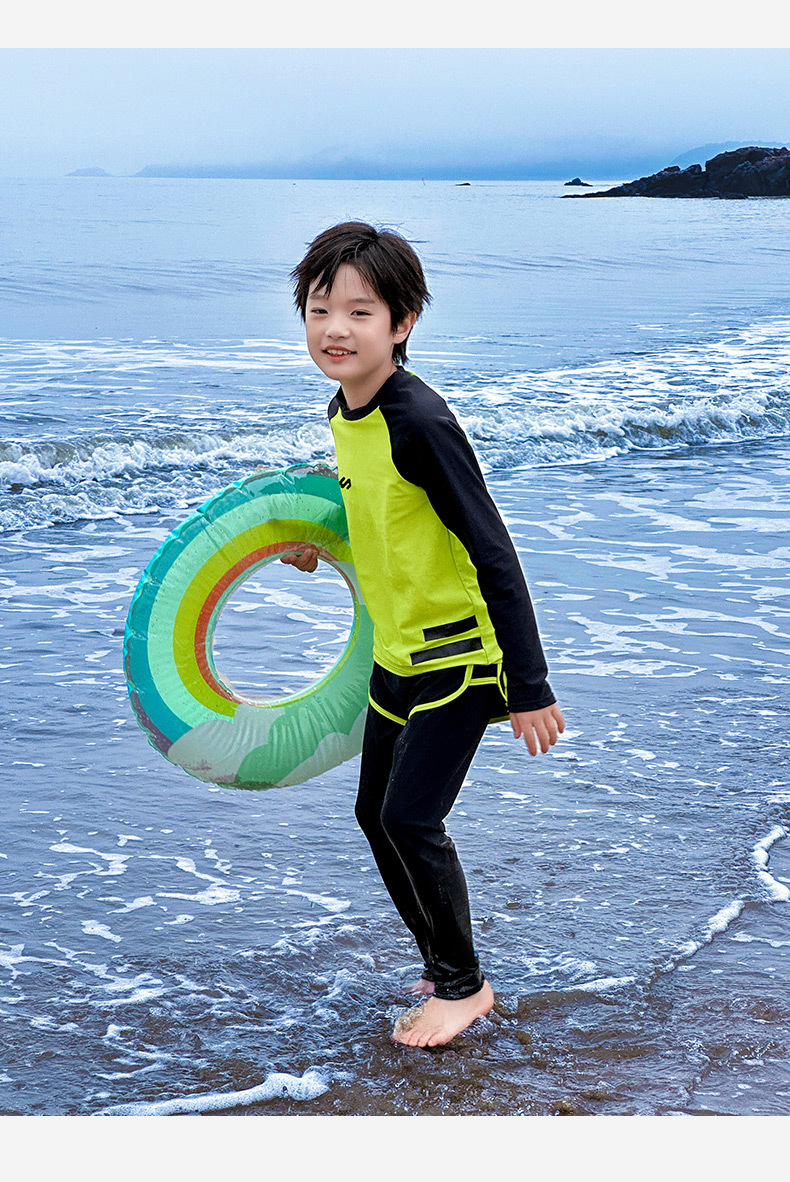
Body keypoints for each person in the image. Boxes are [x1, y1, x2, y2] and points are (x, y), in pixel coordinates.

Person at [283, 221, 565, 1048]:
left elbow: (492, 550)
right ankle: (444, 964)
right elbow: (381, 509)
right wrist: (320, 544)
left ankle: (463, 986)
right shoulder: (346, 410)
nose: (334, 329)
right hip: (396, 657)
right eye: (318, 310)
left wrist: (529, 685)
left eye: (359, 312)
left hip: (461, 659)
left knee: (411, 818)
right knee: (376, 816)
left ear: (401, 323)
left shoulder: (421, 420)